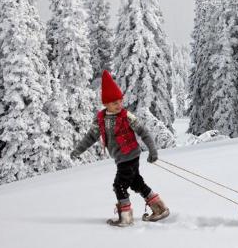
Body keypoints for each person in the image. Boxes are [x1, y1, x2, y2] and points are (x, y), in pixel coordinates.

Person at [71, 70, 170, 226]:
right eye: (114, 103)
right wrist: (78, 150)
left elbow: (143, 132)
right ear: (105, 104)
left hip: (130, 156)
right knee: (136, 182)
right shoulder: (101, 120)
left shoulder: (127, 116)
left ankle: (126, 217)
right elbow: (90, 137)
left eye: (120, 101)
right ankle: (159, 208)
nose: (119, 105)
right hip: (121, 158)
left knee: (119, 185)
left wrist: (153, 150)